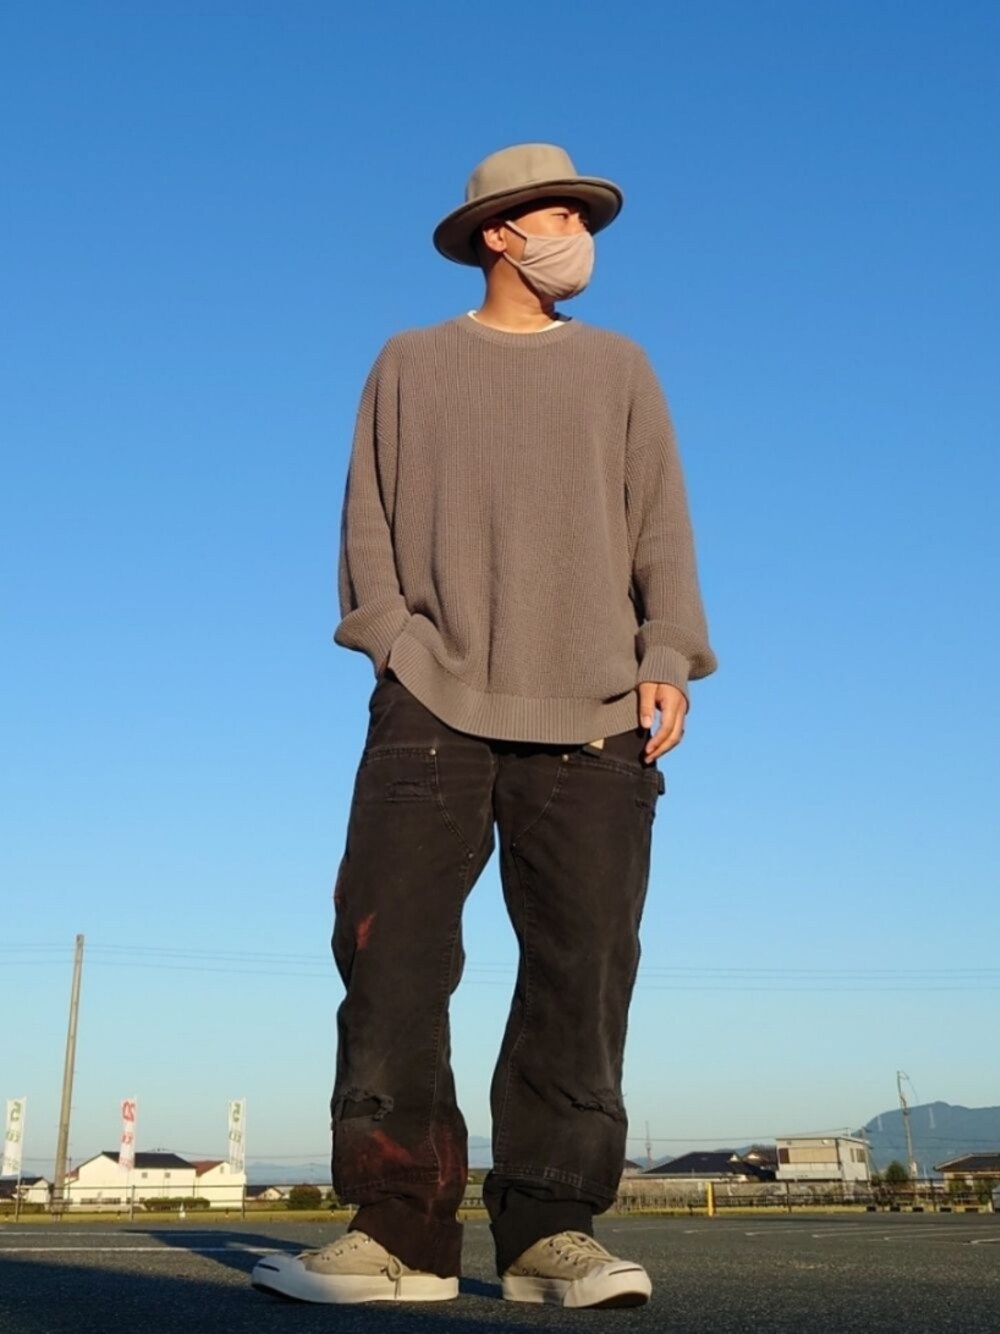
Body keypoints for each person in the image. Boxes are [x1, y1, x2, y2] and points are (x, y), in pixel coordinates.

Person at [252, 142, 716, 1309]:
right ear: (499, 233)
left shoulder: (619, 367)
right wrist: (394, 641)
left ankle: (549, 1231)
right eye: (558, 215)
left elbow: (661, 526)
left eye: (582, 217)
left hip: (596, 711)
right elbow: (367, 520)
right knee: (390, 956)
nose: (578, 236)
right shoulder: (410, 361)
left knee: (581, 965)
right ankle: (398, 1231)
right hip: (432, 701)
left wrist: (666, 655)